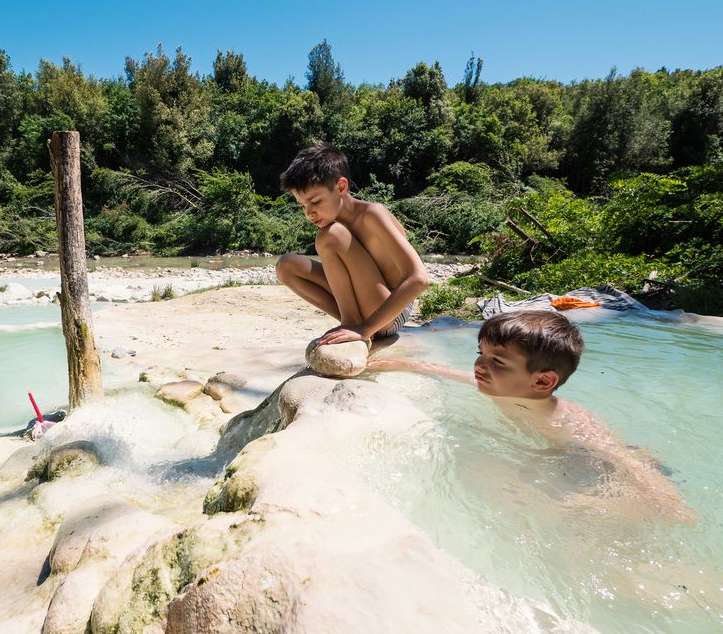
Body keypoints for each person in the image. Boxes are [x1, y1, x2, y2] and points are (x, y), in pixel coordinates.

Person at [367, 310, 695, 522]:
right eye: (480, 353)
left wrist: (668, 501)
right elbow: (447, 371)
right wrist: (405, 364)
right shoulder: (505, 387)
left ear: (541, 382)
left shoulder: (566, 421)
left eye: (498, 361)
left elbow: (618, 456)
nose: (480, 366)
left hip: (607, 463)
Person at [275, 143, 429, 345]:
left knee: (330, 235)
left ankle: (353, 323)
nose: (309, 213)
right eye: (302, 205)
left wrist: (365, 329)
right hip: (366, 307)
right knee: (286, 266)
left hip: (392, 312)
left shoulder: (372, 214)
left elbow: (419, 278)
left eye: (315, 201)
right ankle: (350, 321)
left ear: (341, 187)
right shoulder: (333, 225)